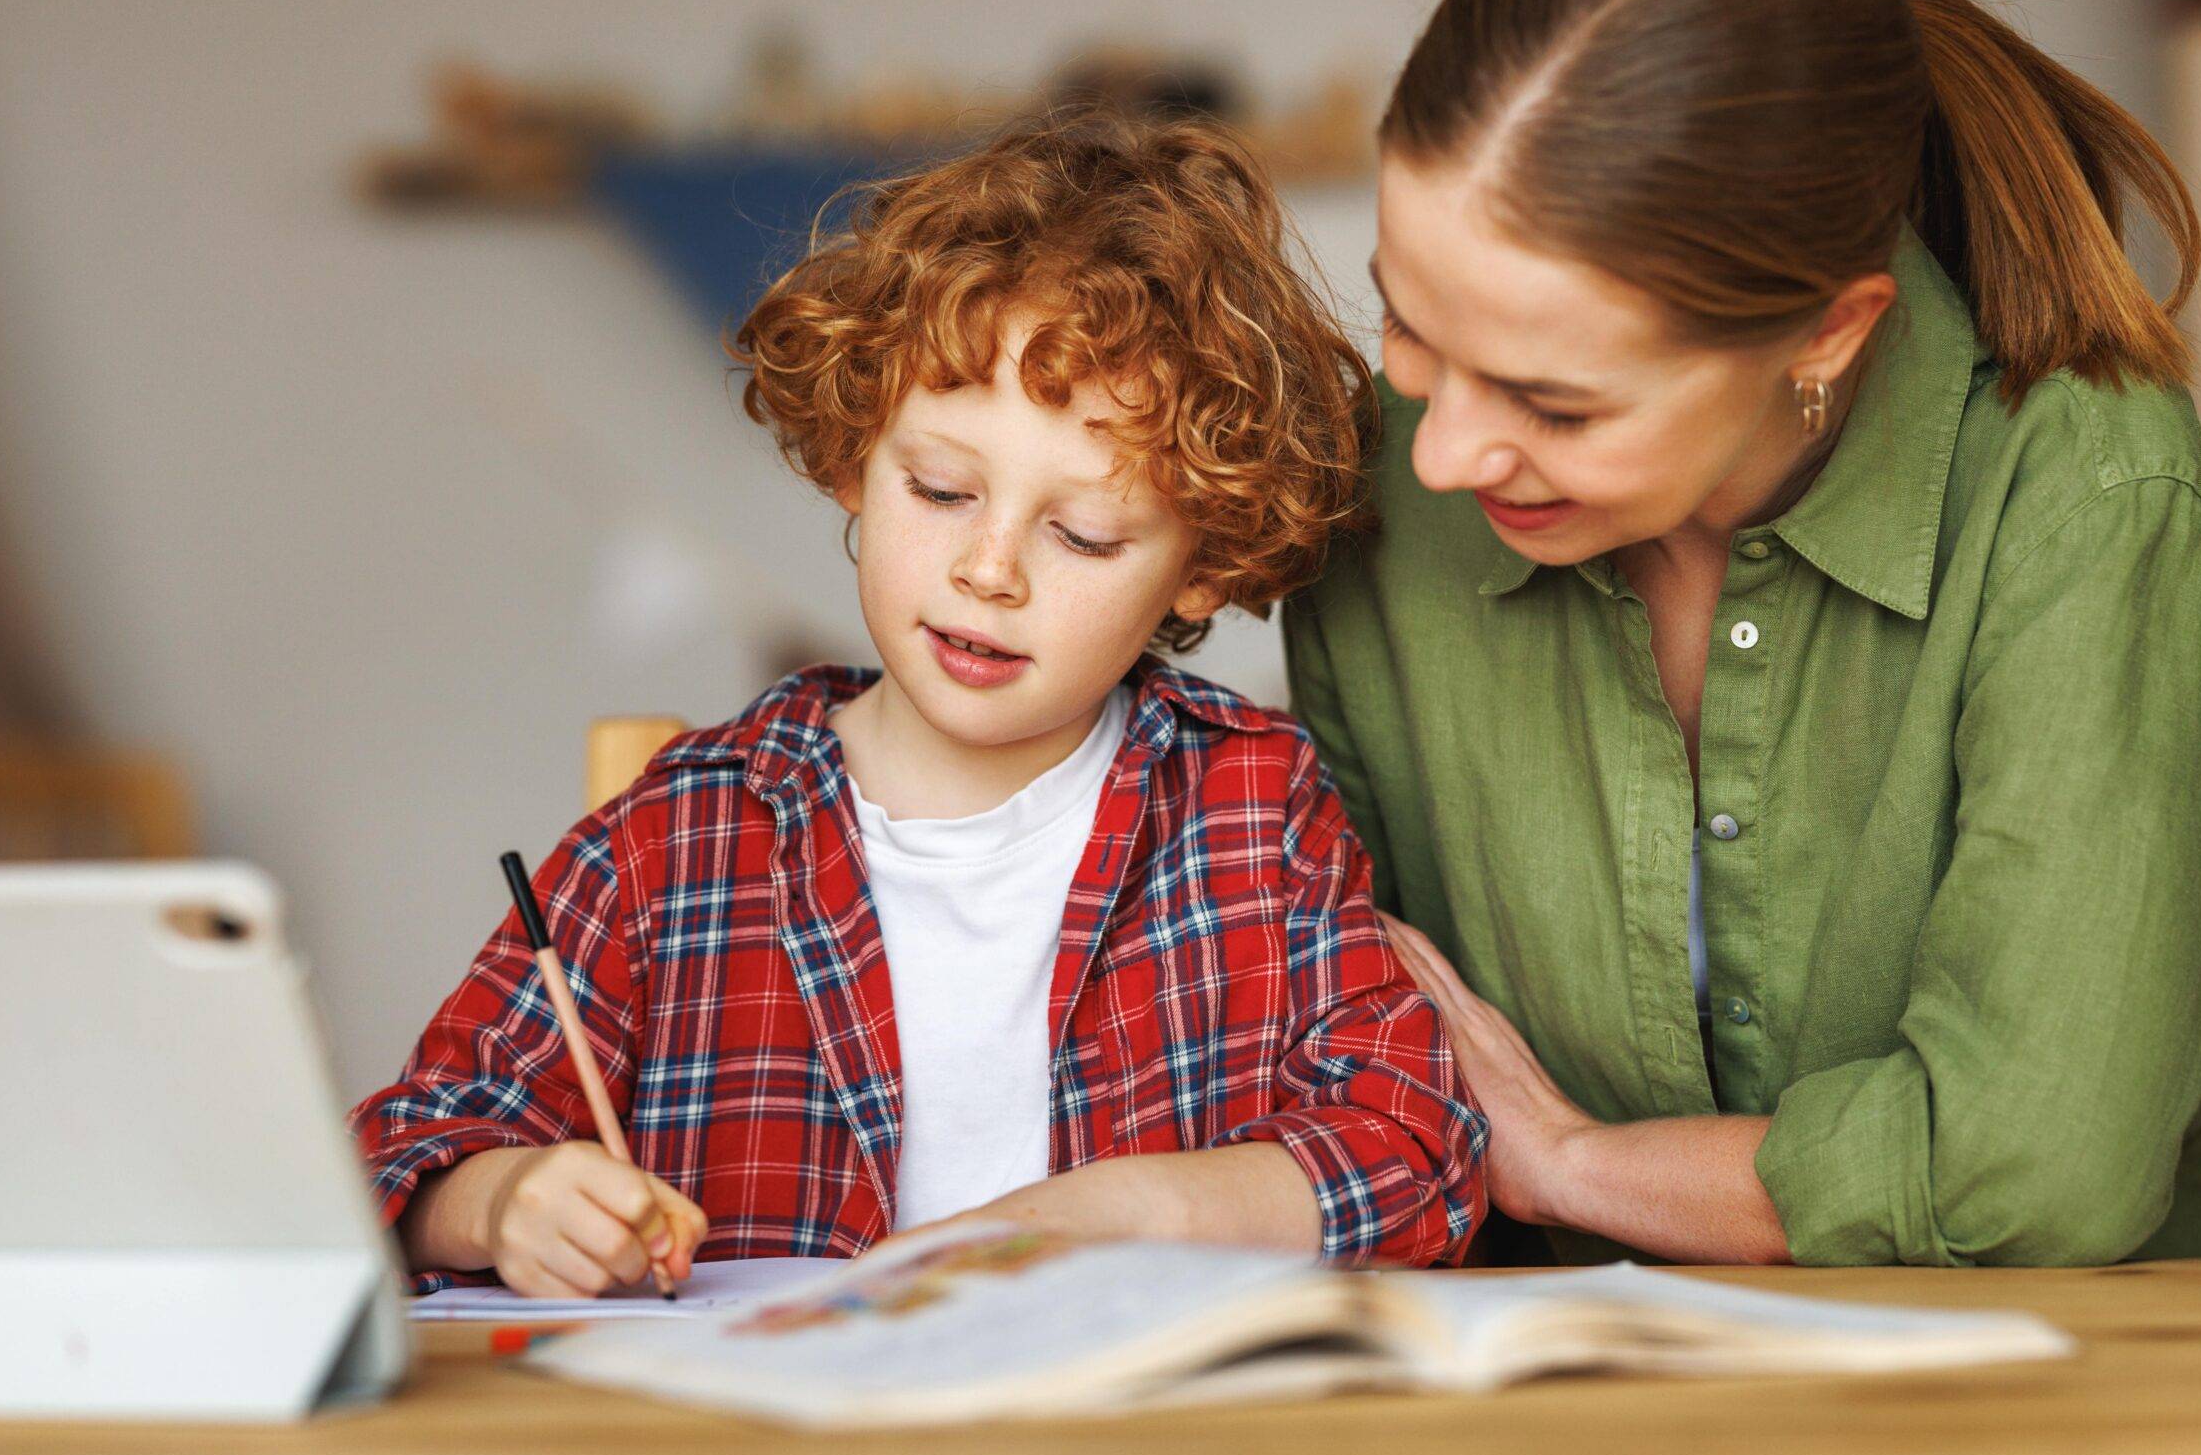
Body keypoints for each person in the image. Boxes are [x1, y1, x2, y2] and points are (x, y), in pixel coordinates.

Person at [1284, 0, 2201, 1268]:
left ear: (1825, 334)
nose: (1441, 453)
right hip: (1614, 1374)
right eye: (1414, 330)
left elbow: (2038, 1173)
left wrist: (1567, 1163)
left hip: (2145, 1349)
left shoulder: (2082, 485)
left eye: (1556, 405)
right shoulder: (1383, 488)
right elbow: (1358, 1042)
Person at [351, 108, 1486, 1298]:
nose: (989, 570)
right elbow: (400, 1150)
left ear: (1202, 565)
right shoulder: (684, 832)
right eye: (942, 489)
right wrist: (505, 1202)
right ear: (854, 456)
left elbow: (1414, 1150)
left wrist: (1130, 1206)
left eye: (1085, 534)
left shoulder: (1247, 805)